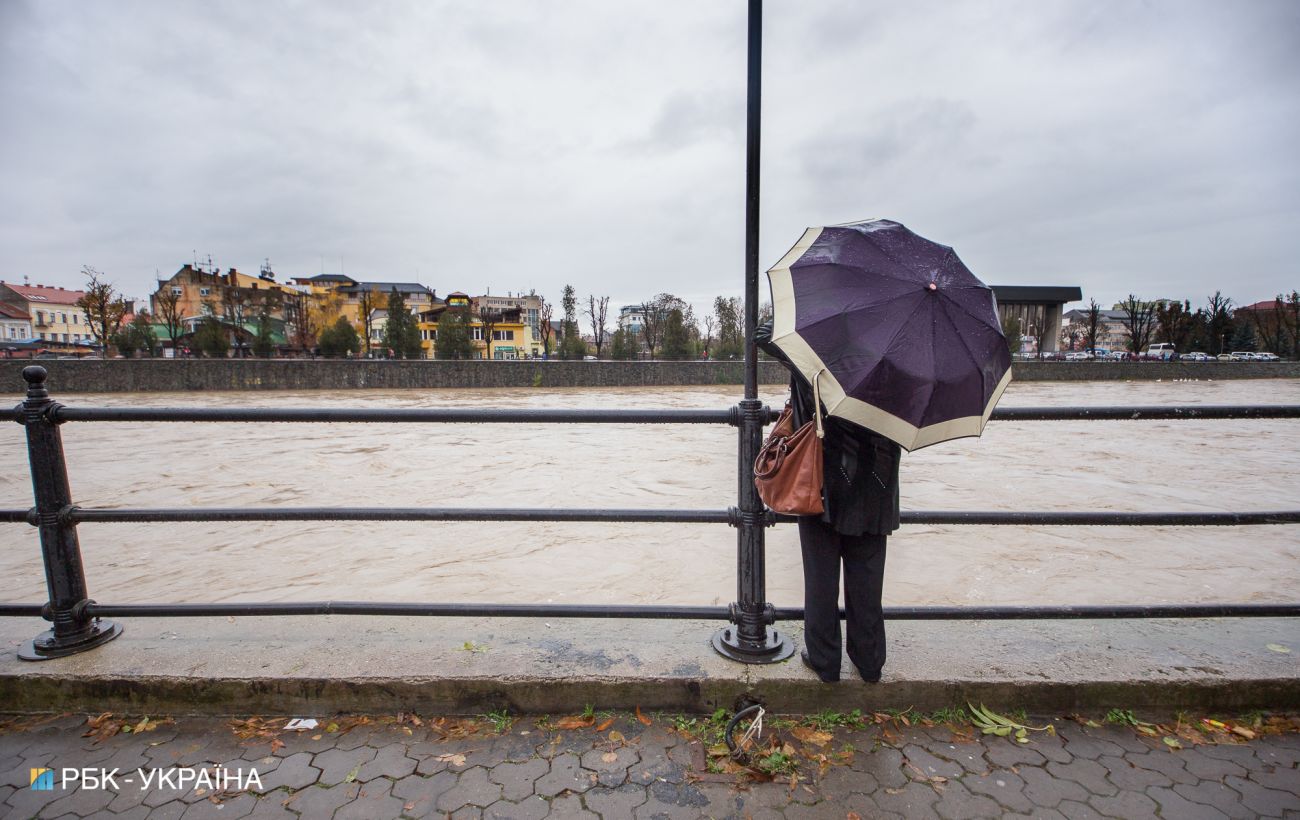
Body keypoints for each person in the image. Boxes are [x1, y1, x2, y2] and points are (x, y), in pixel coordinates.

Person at [756, 321, 901, 683]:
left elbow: (762, 334)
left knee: (820, 578)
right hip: (876, 484)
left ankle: (824, 661)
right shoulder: (896, 359)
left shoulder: (812, 358)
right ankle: (869, 662)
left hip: (820, 481)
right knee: (868, 578)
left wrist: (804, 325)